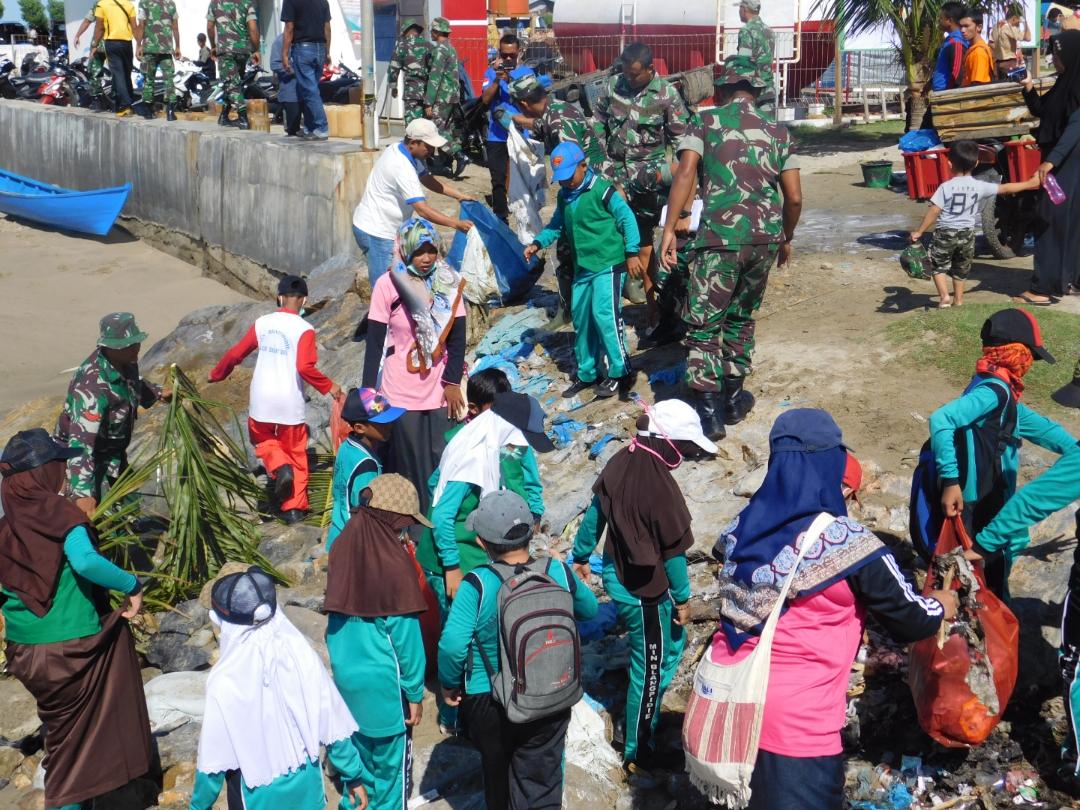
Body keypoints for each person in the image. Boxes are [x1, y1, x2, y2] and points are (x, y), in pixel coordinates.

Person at [703, 409, 954, 808]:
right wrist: (942, 604)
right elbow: (912, 620)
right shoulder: (846, 541)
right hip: (796, 729)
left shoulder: (739, 527)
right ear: (830, 464)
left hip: (730, 706)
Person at [0, 429, 153, 810]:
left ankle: (86, 792)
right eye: (60, 465)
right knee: (76, 745)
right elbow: (85, 560)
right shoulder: (60, 515)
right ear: (43, 474)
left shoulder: (6, 528)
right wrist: (131, 583)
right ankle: (84, 794)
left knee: (65, 736)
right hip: (72, 651)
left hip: (25, 653)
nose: (66, 472)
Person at [660, 55, 802, 442]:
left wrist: (670, 228)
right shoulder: (778, 131)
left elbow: (685, 172)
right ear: (757, 92)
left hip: (719, 240)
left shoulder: (705, 122)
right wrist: (785, 238)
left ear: (721, 89)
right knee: (741, 316)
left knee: (704, 323)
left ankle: (708, 411)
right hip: (763, 241)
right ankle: (735, 399)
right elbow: (793, 198)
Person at [571, 398, 715, 770]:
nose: (685, 452)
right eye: (683, 445)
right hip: (640, 590)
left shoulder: (622, 459)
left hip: (620, 574)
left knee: (670, 645)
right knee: (648, 667)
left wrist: (582, 554)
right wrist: (683, 600)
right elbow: (673, 555)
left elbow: (595, 513)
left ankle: (641, 717)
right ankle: (638, 748)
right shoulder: (659, 487)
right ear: (666, 441)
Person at [438, 490, 598, 809]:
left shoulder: (477, 583)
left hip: (490, 699)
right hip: (550, 691)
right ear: (532, 531)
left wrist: (449, 684)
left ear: (482, 543)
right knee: (541, 779)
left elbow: (452, 645)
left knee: (498, 778)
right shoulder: (556, 571)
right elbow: (590, 609)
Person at [418, 390, 551, 731]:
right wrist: (451, 568)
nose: (518, 451)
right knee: (461, 639)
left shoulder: (490, 440)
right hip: (452, 560)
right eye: (519, 443)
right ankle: (454, 717)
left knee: (481, 634)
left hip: (474, 552)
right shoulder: (473, 458)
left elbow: (512, 473)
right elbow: (442, 514)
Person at [191, 567, 370, 810]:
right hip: (308, 787)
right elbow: (332, 724)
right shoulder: (301, 654)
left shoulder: (224, 680)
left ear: (222, 623)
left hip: (257, 798)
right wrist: (354, 776)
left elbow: (213, 760)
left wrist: (199, 806)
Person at [926, 308, 1074, 596]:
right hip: (976, 500)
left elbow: (1040, 427)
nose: (1030, 363)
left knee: (983, 567)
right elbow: (941, 419)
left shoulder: (994, 386)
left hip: (983, 495)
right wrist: (950, 481)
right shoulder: (994, 392)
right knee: (981, 576)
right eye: (1029, 355)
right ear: (1016, 352)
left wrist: (1074, 453)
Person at [325, 474, 429, 810]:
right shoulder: (394, 564)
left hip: (346, 689)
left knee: (358, 780)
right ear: (395, 520)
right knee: (391, 779)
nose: (405, 535)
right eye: (405, 527)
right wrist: (414, 694)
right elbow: (407, 644)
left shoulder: (342, 546)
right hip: (385, 695)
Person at [208, 275, 345, 524]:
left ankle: (279, 466)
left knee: (263, 440)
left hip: (261, 401)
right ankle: (293, 510)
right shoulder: (305, 329)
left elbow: (236, 353)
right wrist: (330, 386)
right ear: (304, 300)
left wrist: (217, 374)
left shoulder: (263, 323)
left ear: (279, 297)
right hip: (289, 403)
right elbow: (304, 367)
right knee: (296, 454)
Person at [361, 218, 468, 527]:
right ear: (406, 250)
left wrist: (451, 383)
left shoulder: (448, 282)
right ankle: (410, 531)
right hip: (399, 390)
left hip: (438, 389)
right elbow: (375, 342)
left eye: (431, 250)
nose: (426, 258)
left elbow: (458, 340)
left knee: (440, 460)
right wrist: (369, 392)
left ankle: (442, 528)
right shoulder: (388, 284)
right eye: (419, 251)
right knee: (406, 463)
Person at [525, 142, 641, 400]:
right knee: (581, 318)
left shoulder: (602, 190)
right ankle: (588, 372)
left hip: (608, 263)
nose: (566, 183)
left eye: (569, 176)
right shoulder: (565, 196)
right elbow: (556, 225)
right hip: (583, 268)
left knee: (605, 315)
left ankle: (621, 372)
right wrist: (537, 243)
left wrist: (632, 252)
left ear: (584, 166)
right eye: (562, 179)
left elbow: (626, 218)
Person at [596, 42, 689, 326]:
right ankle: (641, 306)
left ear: (650, 69)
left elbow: (683, 146)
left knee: (659, 244)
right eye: (625, 73)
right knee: (627, 243)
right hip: (616, 182)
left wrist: (685, 203)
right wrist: (607, 175)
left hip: (651, 184)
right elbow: (598, 130)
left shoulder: (666, 95)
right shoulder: (612, 87)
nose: (629, 79)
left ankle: (663, 307)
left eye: (634, 74)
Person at [508, 72, 607, 324]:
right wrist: (517, 121)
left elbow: (575, 167)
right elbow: (540, 126)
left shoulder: (559, 123)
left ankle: (570, 310)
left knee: (569, 245)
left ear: (524, 103)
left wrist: (570, 203)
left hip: (587, 188)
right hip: (591, 183)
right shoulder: (555, 108)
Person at [56, 313, 167, 518]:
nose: (136, 348)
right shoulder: (92, 387)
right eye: (129, 345)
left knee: (129, 510)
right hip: (89, 463)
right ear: (111, 348)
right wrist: (82, 493)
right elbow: (80, 445)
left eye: (136, 342)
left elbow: (132, 385)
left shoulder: (127, 362)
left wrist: (158, 393)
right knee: (99, 520)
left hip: (114, 454)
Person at [909, 139, 1040, 307]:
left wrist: (919, 231)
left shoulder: (945, 187)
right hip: (967, 233)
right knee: (961, 267)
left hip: (945, 232)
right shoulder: (980, 186)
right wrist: (1031, 183)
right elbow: (1006, 188)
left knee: (938, 265)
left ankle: (944, 297)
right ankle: (959, 299)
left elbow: (934, 211)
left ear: (949, 164)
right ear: (977, 163)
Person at [351, 119, 474, 287]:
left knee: (397, 283)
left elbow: (426, 178)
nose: (433, 151)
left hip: (381, 226)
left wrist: (458, 195)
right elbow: (422, 210)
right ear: (413, 143)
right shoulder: (401, 167)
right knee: (385, 287)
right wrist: (456, 224)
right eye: (429, 147)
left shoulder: (402, 149)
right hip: (377, 232)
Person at [1016, 30, 1080, 303]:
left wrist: (1051, 161)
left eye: (1057, 53)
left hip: (1066, 159)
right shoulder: (1066, 82)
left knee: (1049, 217)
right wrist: (1029, 87)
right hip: (1062, 156)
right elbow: (1043, 112)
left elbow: (1077, 125)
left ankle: (1043, 289)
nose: (1054, 59)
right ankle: (1070, 281)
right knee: (1070, 220)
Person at [325, 387, 405, 550]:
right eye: (382, 423)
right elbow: (368, 511)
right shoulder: (367, 464)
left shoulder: (346, 448)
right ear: (360, 428)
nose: (390, 426)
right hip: (354, 544)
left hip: (338, 532)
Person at [480, 33, 535, 223]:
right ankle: (501, 218)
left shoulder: (527, 73)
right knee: (498, 181)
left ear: (519, 52)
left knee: (521, 180)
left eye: (512, 55)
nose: (508, 59)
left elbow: (531, 102)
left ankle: (524, 218)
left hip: (520, 134)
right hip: (496, 137)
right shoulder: (491, 72)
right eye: (505, 55)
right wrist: (497, 80)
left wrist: (511, 79)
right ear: (499, 54)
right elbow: (485, 101)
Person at [423, 17, 469, 177]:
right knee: (446, 130)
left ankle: (459, 155)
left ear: (436, 32)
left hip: (441, 98)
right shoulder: (450, 48)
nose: (430, 33)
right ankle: (445, 164)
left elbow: (435, 78)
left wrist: (428, 102)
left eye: (432, 31)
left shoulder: (440, 50)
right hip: (451, 97)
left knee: (437, 130)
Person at [281, 0, 331, 141]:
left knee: (309, 90)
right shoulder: (322, 1)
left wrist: (284, 54)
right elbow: (327, 27)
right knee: (310, 89)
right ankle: (310, 127)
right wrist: (327, 51)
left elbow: (289, 27)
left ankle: (322, 128)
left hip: (303, 48)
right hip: (320, 48)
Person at [207, 0, 259, 129]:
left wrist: (213, 46)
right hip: (243, 51)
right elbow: (253, 28)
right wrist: (256, 49)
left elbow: (209, 27)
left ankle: (242, 118)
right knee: (233, 84)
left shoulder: (215, 3)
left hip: (226, 51)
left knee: (232, 85)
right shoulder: (247, 3)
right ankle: (224, 115)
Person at [90, 0, 137, 116]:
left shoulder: (102, 4)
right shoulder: (129, 4)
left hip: (112, 43)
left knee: (118, 74)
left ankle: (125, 105)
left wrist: (95, 44)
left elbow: (99, 27)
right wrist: (140, 44)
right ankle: (124, 102)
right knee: (126, 74)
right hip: (127, 43)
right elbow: (134, 26)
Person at [136, 0, 180, 121]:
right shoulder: (171, 4)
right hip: (166, 49)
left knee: (149, 79)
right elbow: (175, 27)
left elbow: (141, 25)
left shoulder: (144, 3)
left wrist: (138, 45)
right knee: (169, 80)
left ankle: (148, 111)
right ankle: (170, 111)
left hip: (149, 49)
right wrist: (177, 46)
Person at [387, 18, 429, 125]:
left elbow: (393, 68)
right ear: (417, 31)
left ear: (406, 31)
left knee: (412, 125)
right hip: (428, 93)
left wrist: (393, 87)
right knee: (426, 125)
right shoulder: (428, 45)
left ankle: (412, 141)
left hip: (412, 92)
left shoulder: (402, 46)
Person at [737, 0, 776, 109]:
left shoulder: (747, 31)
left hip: (752, 90)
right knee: (768, 124)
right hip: (768, 88)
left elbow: (743, 62)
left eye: (740, 8)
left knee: (750, 125)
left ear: (744, 9)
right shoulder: (769, 31)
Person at [74, 7, 108, 111]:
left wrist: (77, 35)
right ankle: (119, 103)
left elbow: (87, 21)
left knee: (94, 71)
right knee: (118, 72)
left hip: (100, 43)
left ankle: (98, 101)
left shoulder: (100, 4)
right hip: (118, 42)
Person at [931, 1, 970, 91]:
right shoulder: (949, 41)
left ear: (949, 21)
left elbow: (958, 73)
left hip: (946, 95)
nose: (939, 21)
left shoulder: (956, 43)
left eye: (941, 18)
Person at [270, 32, 300, 136]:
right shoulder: (280, 41)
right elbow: (274, 64)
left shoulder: (306, 38)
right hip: (291, 94)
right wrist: (295, 71)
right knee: (293, 132)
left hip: (307, 94)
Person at [992, 4, 1030, 79]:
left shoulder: (997, 26)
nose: (1019, 22)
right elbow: (1028, 38)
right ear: (1014, 18)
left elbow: (991, 43)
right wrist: (1025, 22)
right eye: (1019, 19)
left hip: (998, 63)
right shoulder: (1009, 27)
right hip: (1009, 64)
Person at [960, 10, 993, 86]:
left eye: (966, 26)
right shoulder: (973, 48)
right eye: (961, 26)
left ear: (979, 27)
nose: (962, 30)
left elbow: (977, 87)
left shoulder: (978, 53)